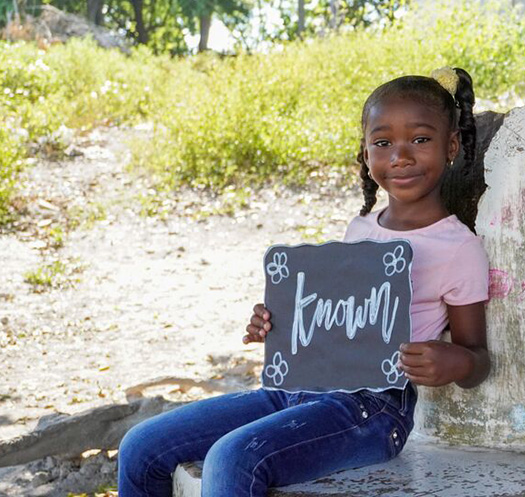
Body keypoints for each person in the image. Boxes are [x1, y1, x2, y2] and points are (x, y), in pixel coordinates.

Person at [118, 68, 491, 497]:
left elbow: (476, 358)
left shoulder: (458, 248)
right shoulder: (361, 229)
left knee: (233, 458)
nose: (400, 156)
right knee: (141, 446)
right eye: (383, 142)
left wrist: (454, 362)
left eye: (420, 140)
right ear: (366, 155)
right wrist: (280, 325)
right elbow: (332, 321)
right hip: (295, 389)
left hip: (371, 410)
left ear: (451, 146)